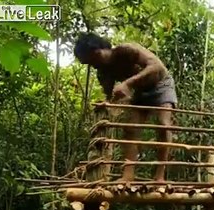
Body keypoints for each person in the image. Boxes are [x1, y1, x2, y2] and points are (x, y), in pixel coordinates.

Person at [74, 32, 177, 182]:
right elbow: (110, 97)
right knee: (130, 130)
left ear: (97, 51)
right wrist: (107, 103)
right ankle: (128, 175)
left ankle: (159, 177)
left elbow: (157, 66)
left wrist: (128, 83)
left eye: (92, 59)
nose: (93, 65)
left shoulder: (126, 50)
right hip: (140, 91)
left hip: (161, 84)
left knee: (163, 126)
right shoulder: (103, 72)